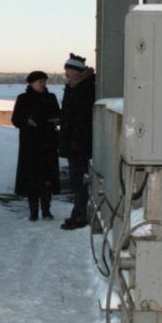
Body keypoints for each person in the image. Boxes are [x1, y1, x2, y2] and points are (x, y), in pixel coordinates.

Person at [12, 71, 61, 221]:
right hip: (30, 145)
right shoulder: (23, 98)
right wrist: (27, 121)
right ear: (32, 83)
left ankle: (46, 211)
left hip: (48, 144)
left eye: (44, 81)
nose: (43, 84)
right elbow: (16, 119)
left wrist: (54, 120)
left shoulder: (51, 97)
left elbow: (58, 116)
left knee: (47, 178)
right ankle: (33, 212)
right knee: (32, 179)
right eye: (40, 82)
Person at [58, 53, 95, 230]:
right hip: (75, 142)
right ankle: (78, 213)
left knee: (80, 180)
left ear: (76, 71)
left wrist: (76, 138)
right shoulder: (75, 87)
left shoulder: (85, 88)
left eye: (68, 70)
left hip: (80, 144)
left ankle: (80, 216)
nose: (66, 73)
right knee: (77, 180)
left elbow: (83, 117)